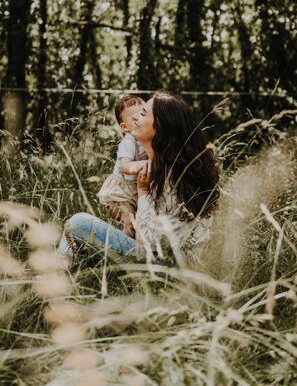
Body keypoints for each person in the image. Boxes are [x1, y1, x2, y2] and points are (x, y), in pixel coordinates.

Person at [57, 92, 219, 266]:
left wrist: (143, 194)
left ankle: (55, 274)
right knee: (80, 237)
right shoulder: (164, 165)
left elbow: (150, 241)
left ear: (161, 126)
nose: (136, 119)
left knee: (78, 222)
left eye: (143, 114)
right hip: (164, 259)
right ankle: (59, 272)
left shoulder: (171, 174)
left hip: (167, 266)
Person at [97, 95, 148, 237]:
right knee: (131, 224)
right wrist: (148, 164)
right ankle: (121, 252)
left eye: (145, 114)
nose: (142, 120)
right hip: (122, 192)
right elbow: (126, 167)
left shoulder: (150, 137)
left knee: (140, 223)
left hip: (135, 190)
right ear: (125, 127)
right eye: (136, 118)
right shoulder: (128, 142)